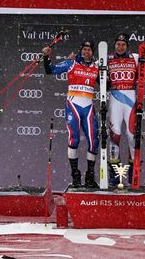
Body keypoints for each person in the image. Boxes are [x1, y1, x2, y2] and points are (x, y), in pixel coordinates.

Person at [42, 40, 101, 187]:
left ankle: (89, 177)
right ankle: (75, 176)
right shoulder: (71, 63)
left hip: (88, 107)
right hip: (73, 106)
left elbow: (107, 85)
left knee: (94, 142)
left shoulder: (96, 67)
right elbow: (51, 70)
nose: (85, 52)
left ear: (92, 52)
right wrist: (46, 57)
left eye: (89, 49)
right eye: (84, 49)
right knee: (74, 139)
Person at [106, 34, 143, 186]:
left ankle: (133, 174)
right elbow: (89, 67)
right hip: (115, 97)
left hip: (130, 98)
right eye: (118, 44)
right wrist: (76, 60)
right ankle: (115, 177)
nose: (120, 47)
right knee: (115, 136)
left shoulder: (135, 57)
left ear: (127, 46)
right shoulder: (107, 58)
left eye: (123, 44)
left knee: (132, 136)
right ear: (115, 45)